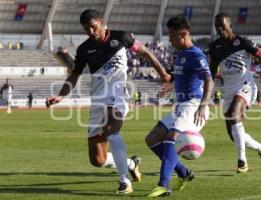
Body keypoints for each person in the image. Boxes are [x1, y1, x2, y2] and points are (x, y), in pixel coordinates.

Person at [45, 9, 170, 195]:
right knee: (98, 160)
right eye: (87, 29)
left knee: (112, 132)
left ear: (101, 22)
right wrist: (61, 95)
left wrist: (164, 75)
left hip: (118, 96)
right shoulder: (84, 49)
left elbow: (145, 53)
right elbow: (74, 75)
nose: (91, 32)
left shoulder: (121, 37)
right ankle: (131, 164)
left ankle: (124, 181)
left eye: (94, 27)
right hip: (98, 102)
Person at [209, 12, 261, 174]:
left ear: (230, 26)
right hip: (229, 90)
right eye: (217, 27)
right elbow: (211, 72)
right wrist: (206, 93)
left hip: (246, 86)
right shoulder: (215, 47)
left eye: (223, 27)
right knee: (234, 135)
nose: (220, 30)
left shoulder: (243, 42)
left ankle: (242, 161)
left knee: (233, 113)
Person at [145, 16, 214, 197]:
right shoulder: (180, 55)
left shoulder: (195, 55)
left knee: (171, 138)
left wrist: (202, 105)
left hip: (193, 106)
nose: (169, 39)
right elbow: (184, 77)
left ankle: (163, 185)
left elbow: (209, 80)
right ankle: (184, 173)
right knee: (152, 139)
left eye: (172, 35)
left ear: (183, 34)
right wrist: (170, 86)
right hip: (180, 107)